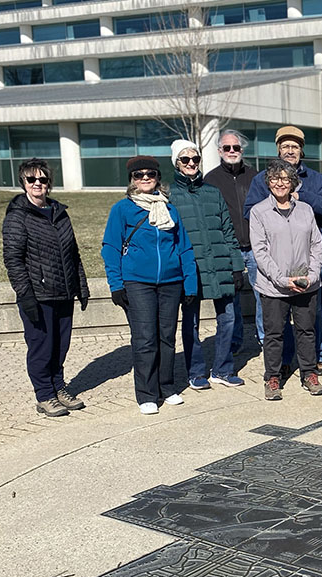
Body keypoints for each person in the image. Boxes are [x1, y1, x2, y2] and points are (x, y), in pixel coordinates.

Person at [102, 156, 197, 415]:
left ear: (158, 177)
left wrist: (189, 284)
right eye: (139, 175)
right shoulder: (123, 209)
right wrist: (116, 284)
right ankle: (147, 393)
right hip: (138, 283)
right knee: (145, 339)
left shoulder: (170, 208)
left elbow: (184, 247)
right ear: (131, 180)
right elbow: (110, 247)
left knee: (166, 337)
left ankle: (166, 387)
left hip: (171, 282)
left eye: (150, 174)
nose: (145, 178)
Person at [244, 125, 322, 374]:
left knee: (310, 316)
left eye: (294, 147)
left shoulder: (316, 180)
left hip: (308, 257)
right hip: (274, 257)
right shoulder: (262, 179)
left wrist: (302, 195)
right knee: (276, 318)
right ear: (278, 150)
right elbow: (249, 211)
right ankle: (283, 362)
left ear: (301, 150)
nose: (290, 151)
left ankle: (317, 357)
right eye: (285, 146)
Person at [2, 158, 89, 417]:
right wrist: (25, 294)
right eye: (32, 179)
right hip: (37, 295)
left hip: (63, 291)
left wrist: (81, 287)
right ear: (24, 183)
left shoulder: (59, 213)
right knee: (42, 346)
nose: (38, 183)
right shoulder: (18, 216)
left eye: (42, 179)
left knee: (60, 345)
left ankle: (58, 386)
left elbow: (73, 254)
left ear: (49, 183)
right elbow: (13, 259)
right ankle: (44, 395)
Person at [169, 139, 246, 391]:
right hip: (191, 269)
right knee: (191, 323)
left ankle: (223, 369)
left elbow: (228, 231)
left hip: (220, 264)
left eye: (195, 159)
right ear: (177, 163)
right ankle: (196, 372)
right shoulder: (170, 195)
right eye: (185, 159)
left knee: (228, 318)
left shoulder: (213, 192)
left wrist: (236, 266)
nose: (191, 163)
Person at [249, 159, 322, 398]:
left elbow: (316, 243)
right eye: (275, 179)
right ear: (268, 183)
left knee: (306, 331)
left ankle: (309, 374)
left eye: (285, 179)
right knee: (274, 333)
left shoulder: (305, 210)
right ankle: (272, 378)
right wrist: (282, 279)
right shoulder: (259, 211)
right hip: (274, 287)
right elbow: (260, 251)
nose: (280, 183)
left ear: (293, 182)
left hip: (305, 284)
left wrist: (313, 275)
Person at [203, 129, 260, 352]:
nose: (232, 151)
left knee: (263, 296)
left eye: (236, 147)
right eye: (227, 148)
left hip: (256, 247)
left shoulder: (256, 177)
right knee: (231, 299)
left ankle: (265, 337)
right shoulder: (211, 180)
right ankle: (234, 341)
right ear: (219, 151)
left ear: (242, 150)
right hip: (229, 249)